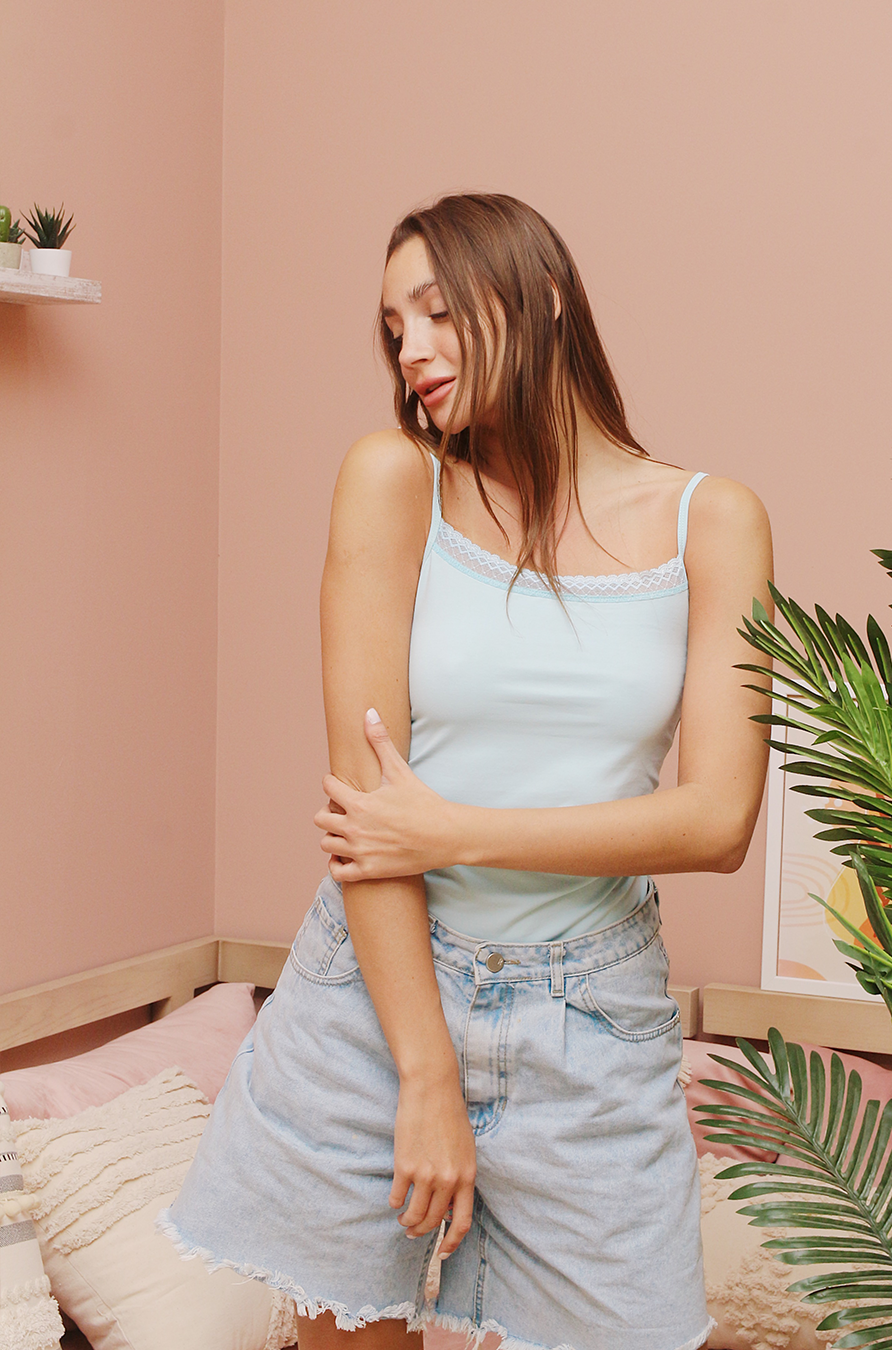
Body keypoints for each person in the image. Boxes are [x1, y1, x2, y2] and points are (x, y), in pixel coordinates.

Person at [162, 193, 773, 1350]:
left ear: (543, 296)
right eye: (395, 327)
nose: (413, 349)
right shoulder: (394, 482)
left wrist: (453, 830)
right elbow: (367, 817)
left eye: (439, 311)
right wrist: (426, 1074)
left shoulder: (714, 521)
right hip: (376, 999)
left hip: (590, 1022)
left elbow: (718, 820)